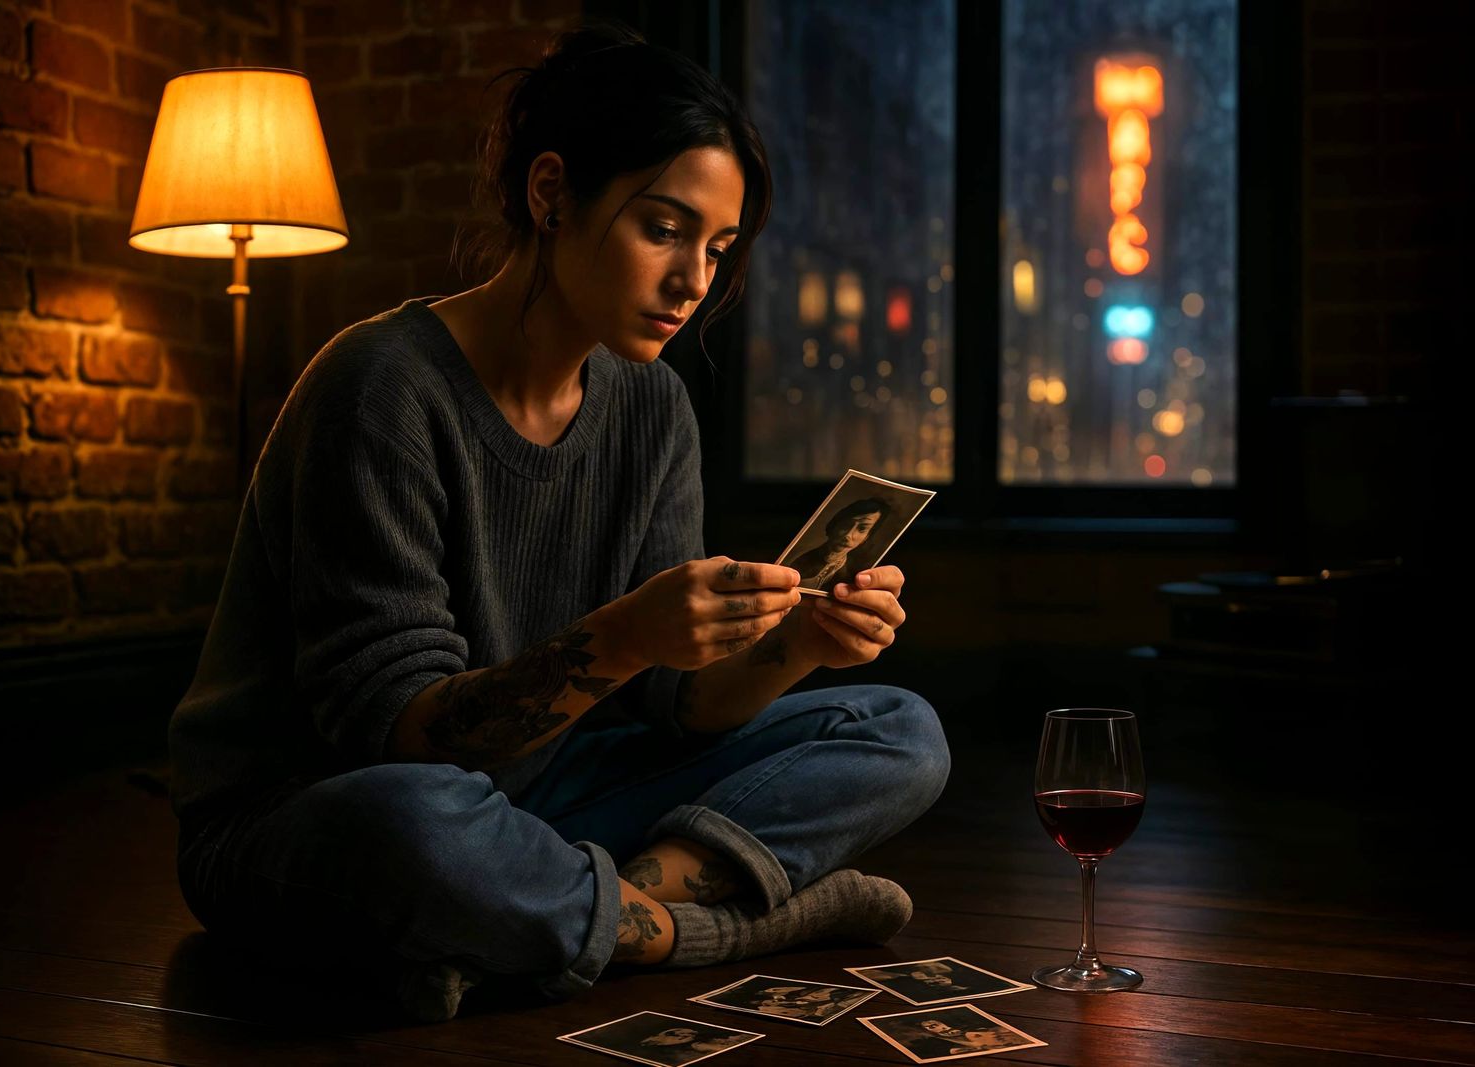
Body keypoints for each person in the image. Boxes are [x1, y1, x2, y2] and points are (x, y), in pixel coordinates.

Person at [168, 19, 950, 1024]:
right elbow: (403, 737)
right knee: (414, 823)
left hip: (546, 797)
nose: (694, 280)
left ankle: (539, 921)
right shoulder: (381, 385)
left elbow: (676, 707)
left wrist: (795, 643)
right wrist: (625, 634)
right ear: (550, 196)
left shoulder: (650, 403)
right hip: (324, 808)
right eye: (663, 228)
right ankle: (726, 923)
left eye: (716, 247)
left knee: (898, 727)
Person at [788, 497, 890, 592]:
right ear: (835, 524)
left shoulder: (854, 575)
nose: (848, 535)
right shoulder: (802, 559)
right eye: (846, 525)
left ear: (867, 536)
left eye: (862, 528)